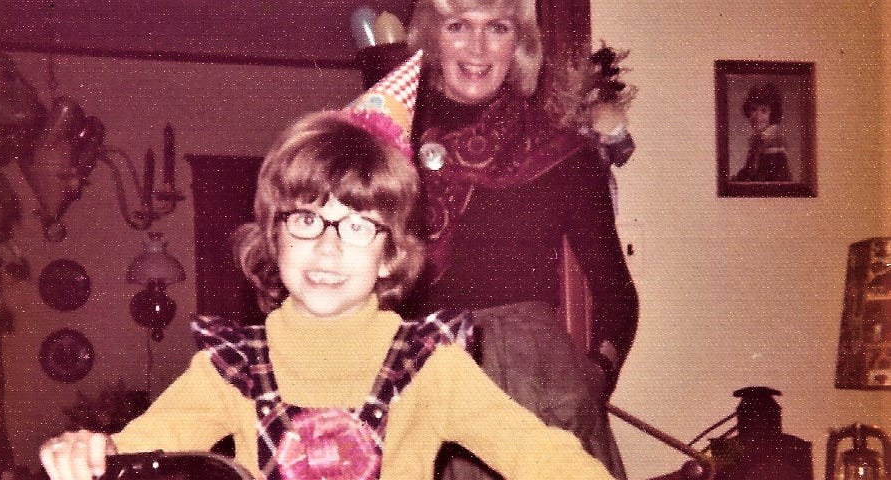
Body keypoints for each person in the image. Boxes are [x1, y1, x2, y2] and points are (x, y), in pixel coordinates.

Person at [38, 56, 616, 480]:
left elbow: (547, 459)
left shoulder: (431, 368)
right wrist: (87, 453)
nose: (329, 248)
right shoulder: (231, 368)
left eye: (360, 226)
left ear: (392, 252)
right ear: (273, 235)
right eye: (307, 220)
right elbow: (134, 456)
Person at [393, 0, 639, 479]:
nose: (479, 48)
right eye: (458, 26)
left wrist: (594, 380)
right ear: (430, 37)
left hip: (538, 397)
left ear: (519, 44)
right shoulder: (387, 148)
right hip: (422, 389)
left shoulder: (564, 154)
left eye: (498, 27)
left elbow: (617, 295)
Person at [731, 82, 792, 182]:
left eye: (764, 111)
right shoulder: (758, 141)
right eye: (754, 109)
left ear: (772, 115)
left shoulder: (775, 143)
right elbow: (748, 171)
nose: (757, 116)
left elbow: (768, 180)